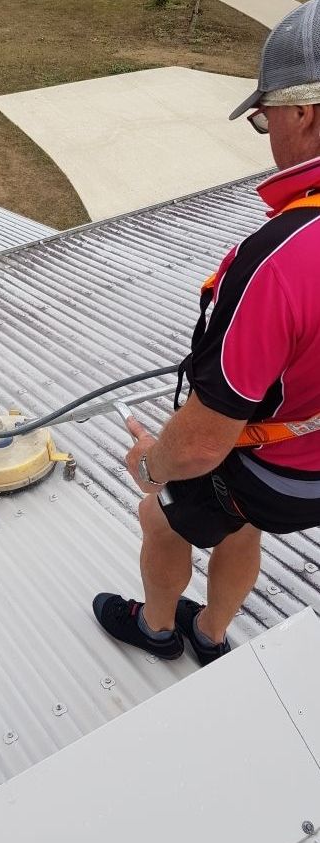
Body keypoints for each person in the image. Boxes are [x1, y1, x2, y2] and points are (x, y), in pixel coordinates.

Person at [93, 0, 320, 666]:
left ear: (302, 113)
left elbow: (197, 448)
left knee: (162, 515)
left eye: (264, 117)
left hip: (278, 472)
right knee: (235, 516)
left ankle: (160, 629)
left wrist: (151, 464)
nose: (267, 132)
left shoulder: (282, 260)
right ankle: (213, 634)